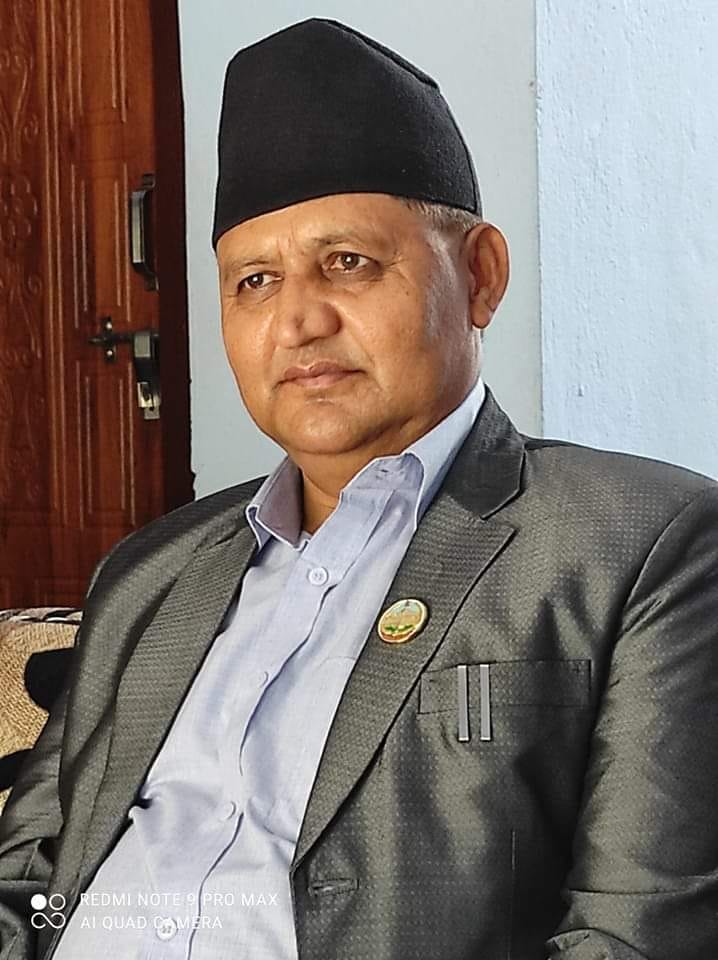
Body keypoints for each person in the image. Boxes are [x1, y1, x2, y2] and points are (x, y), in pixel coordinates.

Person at [1, 16, 717, 960]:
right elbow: (29, 882)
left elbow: (638, 936)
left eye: (348, 263)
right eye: (255, 281)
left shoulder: (642, 543)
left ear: (480, 276)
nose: (298, 320)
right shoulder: (150, 573)